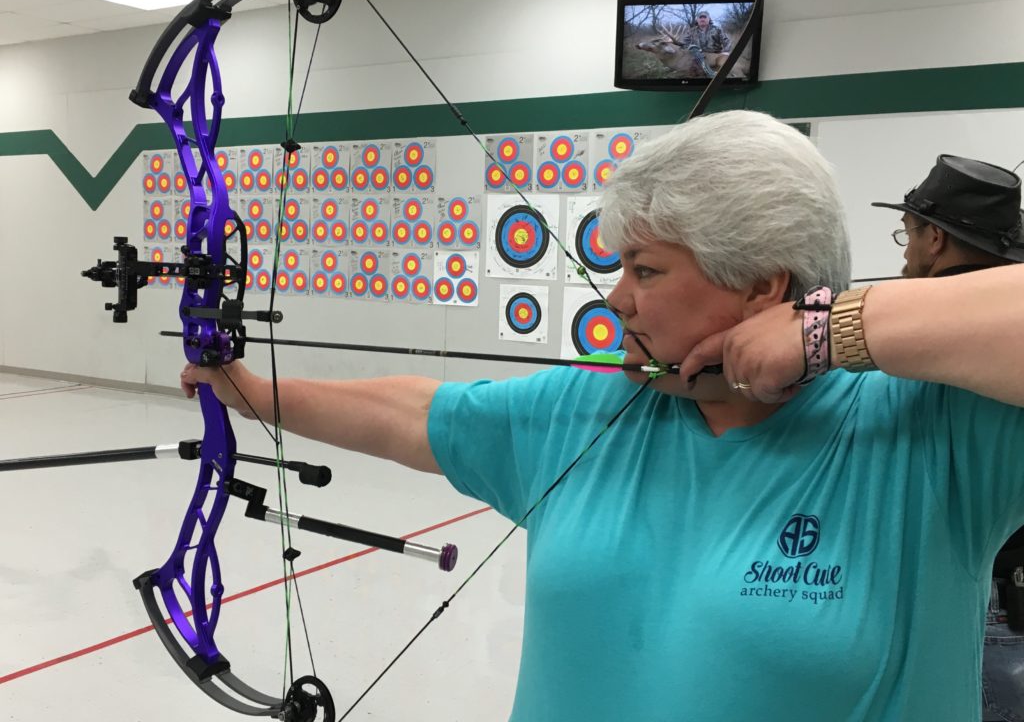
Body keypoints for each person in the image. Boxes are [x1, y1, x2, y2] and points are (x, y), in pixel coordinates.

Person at [181, 110, 1024, 721]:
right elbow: (419, 415)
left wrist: (828, 330)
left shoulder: (934, 431)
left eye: (647, 272)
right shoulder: (595, 407)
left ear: (764, 285)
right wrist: (259, 396)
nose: (616, 299)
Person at [874, 154, 1024, 722]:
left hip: (962, 599)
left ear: (934, 238)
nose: (906, 253)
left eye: (908, 235)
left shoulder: (911, 329)